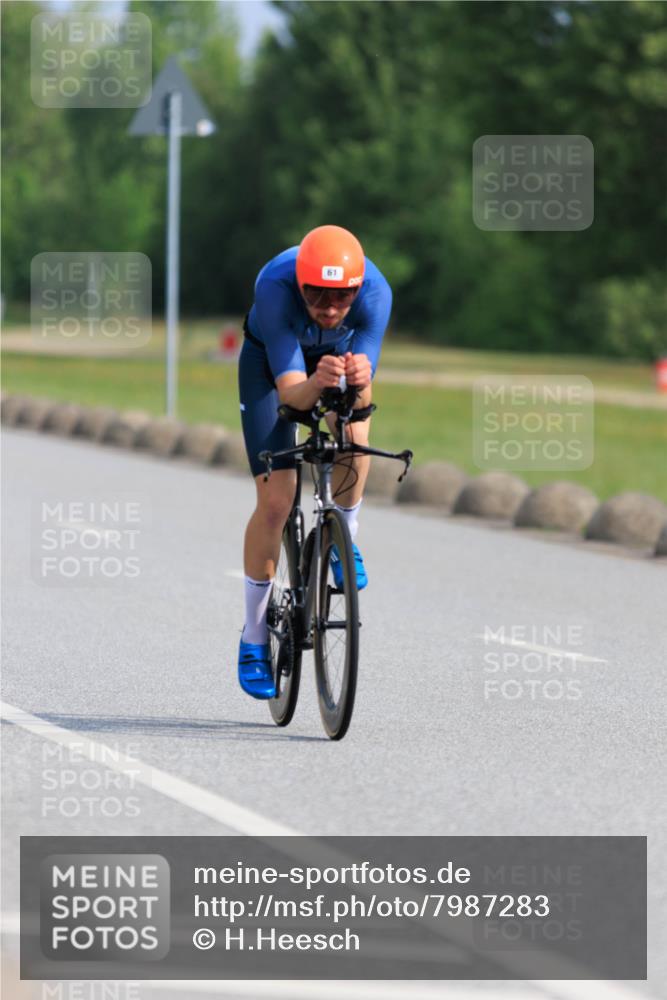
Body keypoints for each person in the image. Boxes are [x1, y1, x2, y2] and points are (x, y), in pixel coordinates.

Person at [237, 225, 392, 699]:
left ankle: (346, 535)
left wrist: (357, 380)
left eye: (340, 298)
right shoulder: (275, 288)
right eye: (317, 296)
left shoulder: (376, 294)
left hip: (336, 359)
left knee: (355, 437)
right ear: (300, 286)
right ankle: (255, 637)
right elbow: (292, 398)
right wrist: (318, 381)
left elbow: (358, 400)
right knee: (276, 502)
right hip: (270, 366)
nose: (328, 308)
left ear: (357, 289)